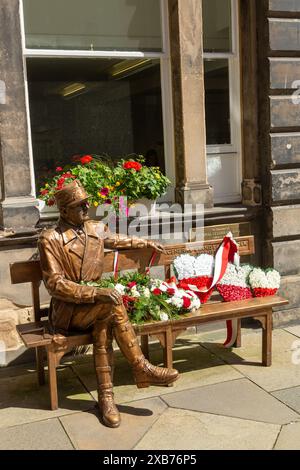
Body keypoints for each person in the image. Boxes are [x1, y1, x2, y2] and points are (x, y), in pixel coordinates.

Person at [38, 181, 179, 428]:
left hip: (97, 307)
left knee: (105, 318)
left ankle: (107, 400)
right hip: (68, 311)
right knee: (109, 304)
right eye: (79, 205)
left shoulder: (94, 228)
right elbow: (55, 285)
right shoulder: (51, 239)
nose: (87, 207)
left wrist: (145, 243)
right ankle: (140, 367)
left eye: (86, 203)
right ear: (63, 211)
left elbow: (119, 240)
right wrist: (95, 293)